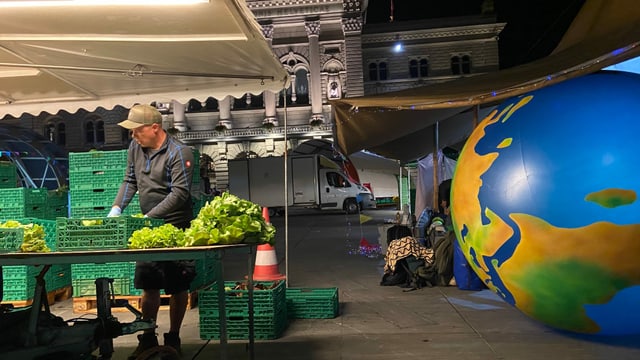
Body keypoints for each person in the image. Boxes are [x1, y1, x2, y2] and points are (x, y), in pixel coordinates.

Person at [108, 104, 195, 359]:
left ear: (154, 128)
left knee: (177, 286)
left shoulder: (179, 152)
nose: (133, 136)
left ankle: (174, 337)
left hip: (175, 227)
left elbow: (179, 194)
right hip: (148, 230)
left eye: (137, 131)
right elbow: (130, 180)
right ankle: (148, 337)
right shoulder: (136, 147)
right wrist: (116, 208)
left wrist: (149, 217)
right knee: (149, 284)